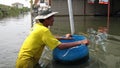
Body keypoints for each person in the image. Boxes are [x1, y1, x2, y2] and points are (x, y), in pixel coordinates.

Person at [16, 8, 89, 68]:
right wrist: (81, 42)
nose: (53, 19)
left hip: (24, 60)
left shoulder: (37, 26)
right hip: (27, 62)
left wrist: (65, 38)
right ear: (46, 19)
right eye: (51, 17)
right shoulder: (44, 30)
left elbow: (50, 37)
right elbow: (60, 46)